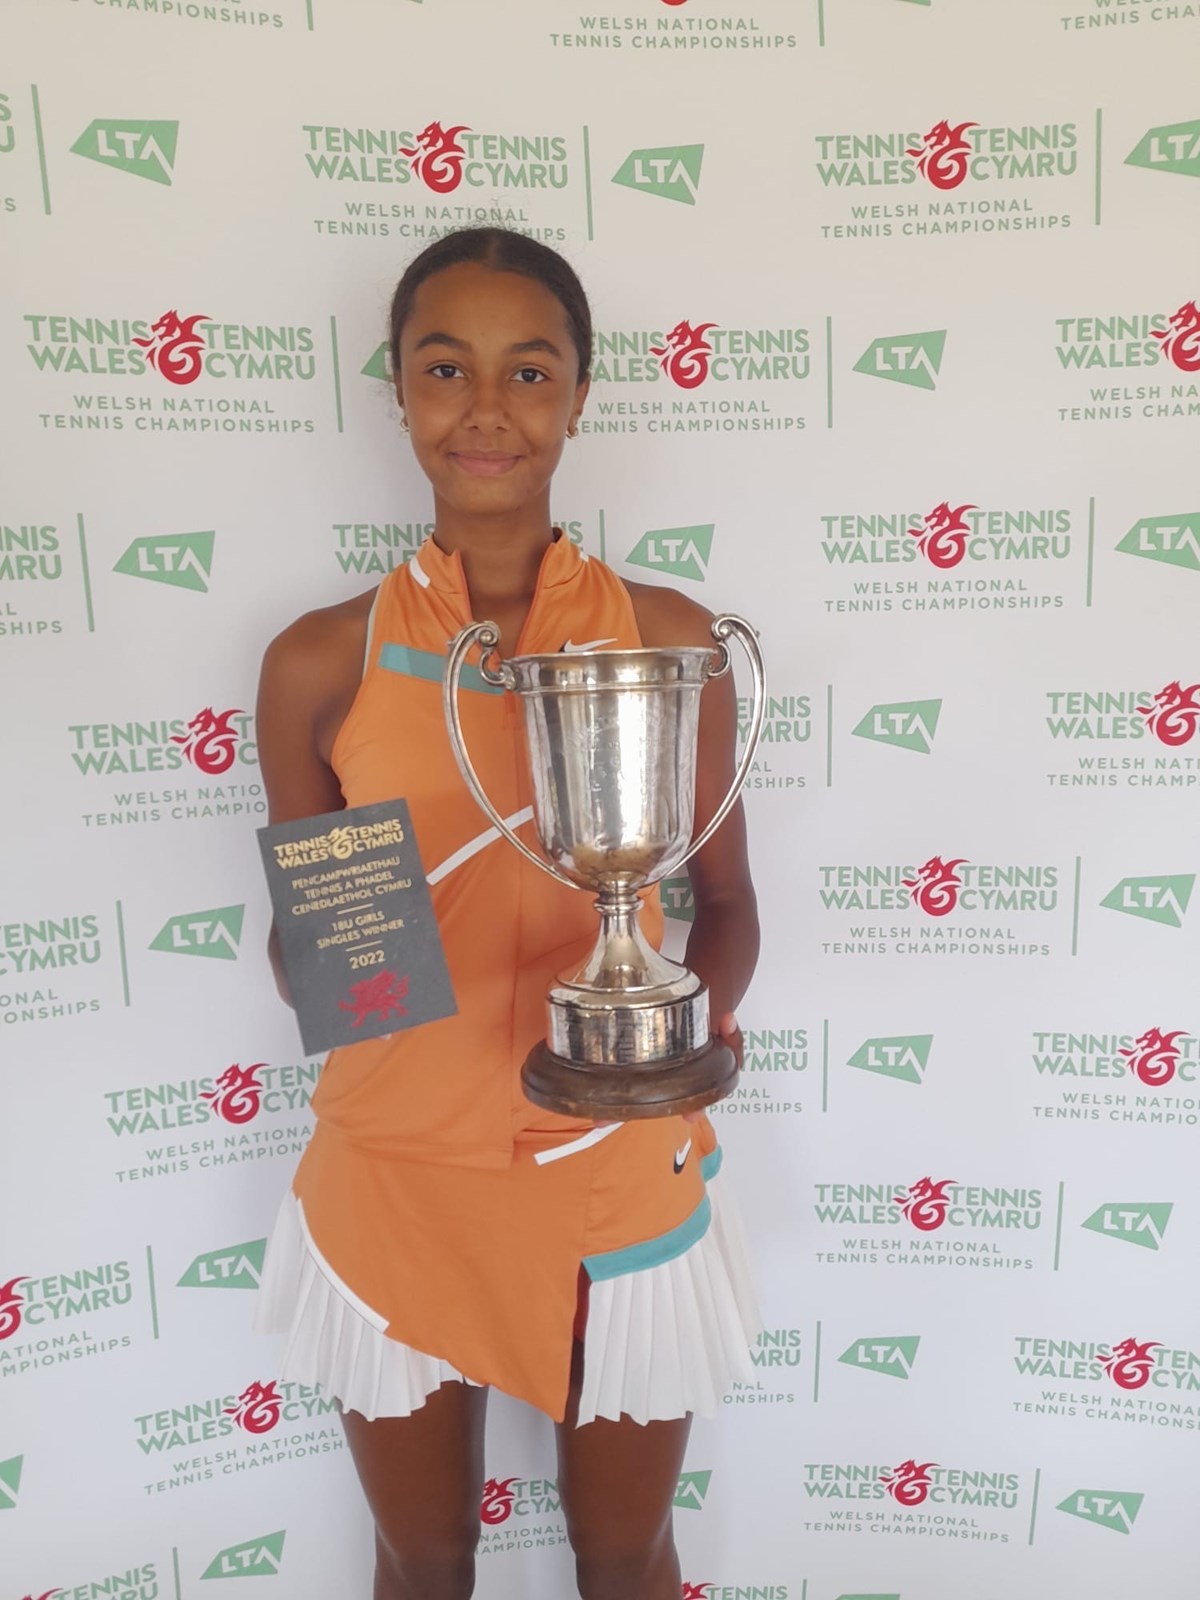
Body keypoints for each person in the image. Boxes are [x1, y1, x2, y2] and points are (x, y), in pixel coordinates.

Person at [254, 227, 762, 1600]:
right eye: (445, 367)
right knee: (423, 1553)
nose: (486, 407)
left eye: (529, 369)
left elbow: (725, 904)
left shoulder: (667, 637)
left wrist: (667, 1046)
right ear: (399, 390)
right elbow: (308, 948)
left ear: (580, 395)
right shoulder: (317, 660)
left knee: (625, 1552)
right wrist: (330, 944)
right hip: (398, 1175)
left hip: (610, 1166)